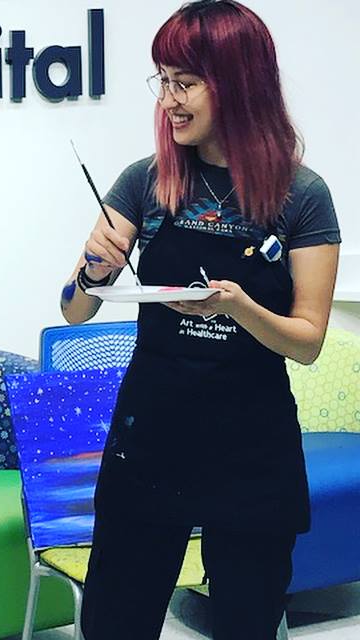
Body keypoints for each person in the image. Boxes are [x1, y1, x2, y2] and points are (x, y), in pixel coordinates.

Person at [59, 1, 341, 638]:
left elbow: (307, 342)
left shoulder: (301, 195)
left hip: (251, 445)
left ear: (239, 83)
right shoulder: (145, 182)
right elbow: (74, 312)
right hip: (151, 434)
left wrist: (239, 306)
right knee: (114, 620)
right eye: (162, 81)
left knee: (247, 620)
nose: (169, 101)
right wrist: (94, 272)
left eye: (184, 83)